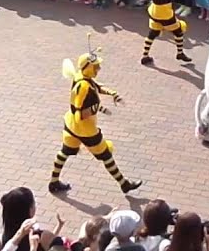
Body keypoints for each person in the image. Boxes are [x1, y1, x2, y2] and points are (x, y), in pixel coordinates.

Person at [49, 47, 143, 195]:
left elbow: (96, 87)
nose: (98, 69)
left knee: (64, 152)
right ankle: (124, 184)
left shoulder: (80, 77)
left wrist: (112, 93)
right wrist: (100, 109)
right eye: (95, 66)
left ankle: (53, 182)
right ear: (88, 67)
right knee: (106, 155)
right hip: (86, 131)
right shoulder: (83, 86)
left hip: (71, 126)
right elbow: (80, 112)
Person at [140, 0, 192, 66]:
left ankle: (145, 56)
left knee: (153, 33)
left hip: (154, 11)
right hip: (164, 13)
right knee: (179, 30)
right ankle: (180, 53)